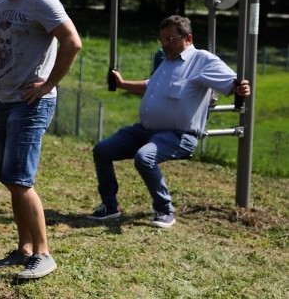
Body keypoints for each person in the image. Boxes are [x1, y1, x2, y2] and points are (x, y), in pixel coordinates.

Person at [86, 15, 251, 228]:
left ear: (188, 38)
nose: (165, 44)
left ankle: (165, 210)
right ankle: (110, 206)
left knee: (144, 158)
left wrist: (241, 88)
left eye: (170, 39)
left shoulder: (202, 60)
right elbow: (149, 86)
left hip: (178, 135)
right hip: (145, 131)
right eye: (162, 39)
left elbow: (234, 82)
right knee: (102, 150)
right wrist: (123, 84)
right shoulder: (167, 62)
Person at [0, 0, 82, 280]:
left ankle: (44, 253)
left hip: (32, 102)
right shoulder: (0, 3)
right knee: (10, 180)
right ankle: (24, 249)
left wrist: (47, 85)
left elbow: (73, 42)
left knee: (21, 180)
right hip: (5, 98)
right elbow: (5, 44)